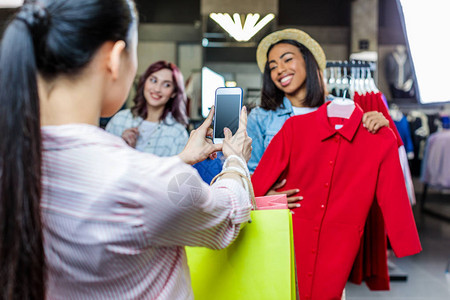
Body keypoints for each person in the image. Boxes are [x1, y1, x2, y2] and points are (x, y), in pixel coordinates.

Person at [0, 1, 252, 299]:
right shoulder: (142, 181)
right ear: (115, 59)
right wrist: (235, 160)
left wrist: (181, 159)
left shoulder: (14, 159)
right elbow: (228, 214)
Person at [247, 28, 390, 208]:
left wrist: (378, 127)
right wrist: (269, 199)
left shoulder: (344, 110)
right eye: (273, 67)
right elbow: (248, 174)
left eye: (287, 60)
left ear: (308, 61)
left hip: (333, 212)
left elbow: (361, 167)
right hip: (283, 218)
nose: (280, 70)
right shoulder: (261, 117)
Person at [105, 60, 189, 156]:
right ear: (144, 82)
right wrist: (121, 145)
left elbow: (178, 170)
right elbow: (101, 162)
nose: (157, 89)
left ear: (174, 93)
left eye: (167, 85)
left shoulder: (177, 133)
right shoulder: (120, 120)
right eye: (153, 80)